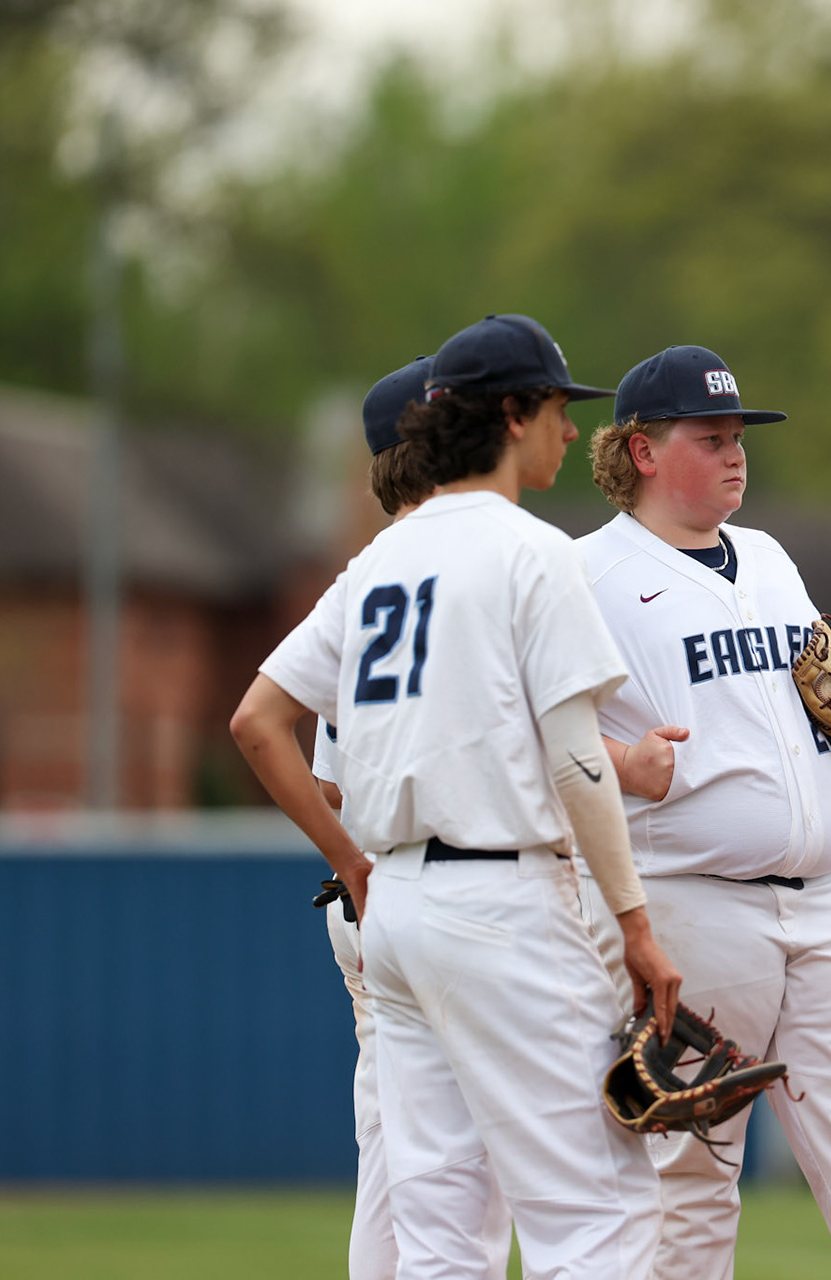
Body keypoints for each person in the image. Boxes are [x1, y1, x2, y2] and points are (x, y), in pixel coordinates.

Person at [231, 314, 679, 1280]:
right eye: (559, 408)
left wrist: (352, 862)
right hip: (501, 904)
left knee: (435, 1236)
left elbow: (257, 723)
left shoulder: (380, 558)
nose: (570, 430)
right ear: (512, 413)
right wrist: (638, 927)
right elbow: (578, 764)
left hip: (394, 914)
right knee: (598, 1216)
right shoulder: (531, 552)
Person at [574, 345, 831, 1280]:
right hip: (691, 903)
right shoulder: (587, 576)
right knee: (692, 1169)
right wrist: (623, 762)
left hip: (827, 898)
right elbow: (535, 740)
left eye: (739, 435)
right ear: (643, 450)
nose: (737, 454)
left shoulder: (774, 561)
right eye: (711, 438)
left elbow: (830, 696)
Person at [309, 356, 514, 1280]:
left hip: (373, 892)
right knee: (457, 1186)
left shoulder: (369, 578)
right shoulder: (448, 575)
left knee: (401, 1161)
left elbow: (303, 760)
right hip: (434, 886)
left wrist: (351, 869)